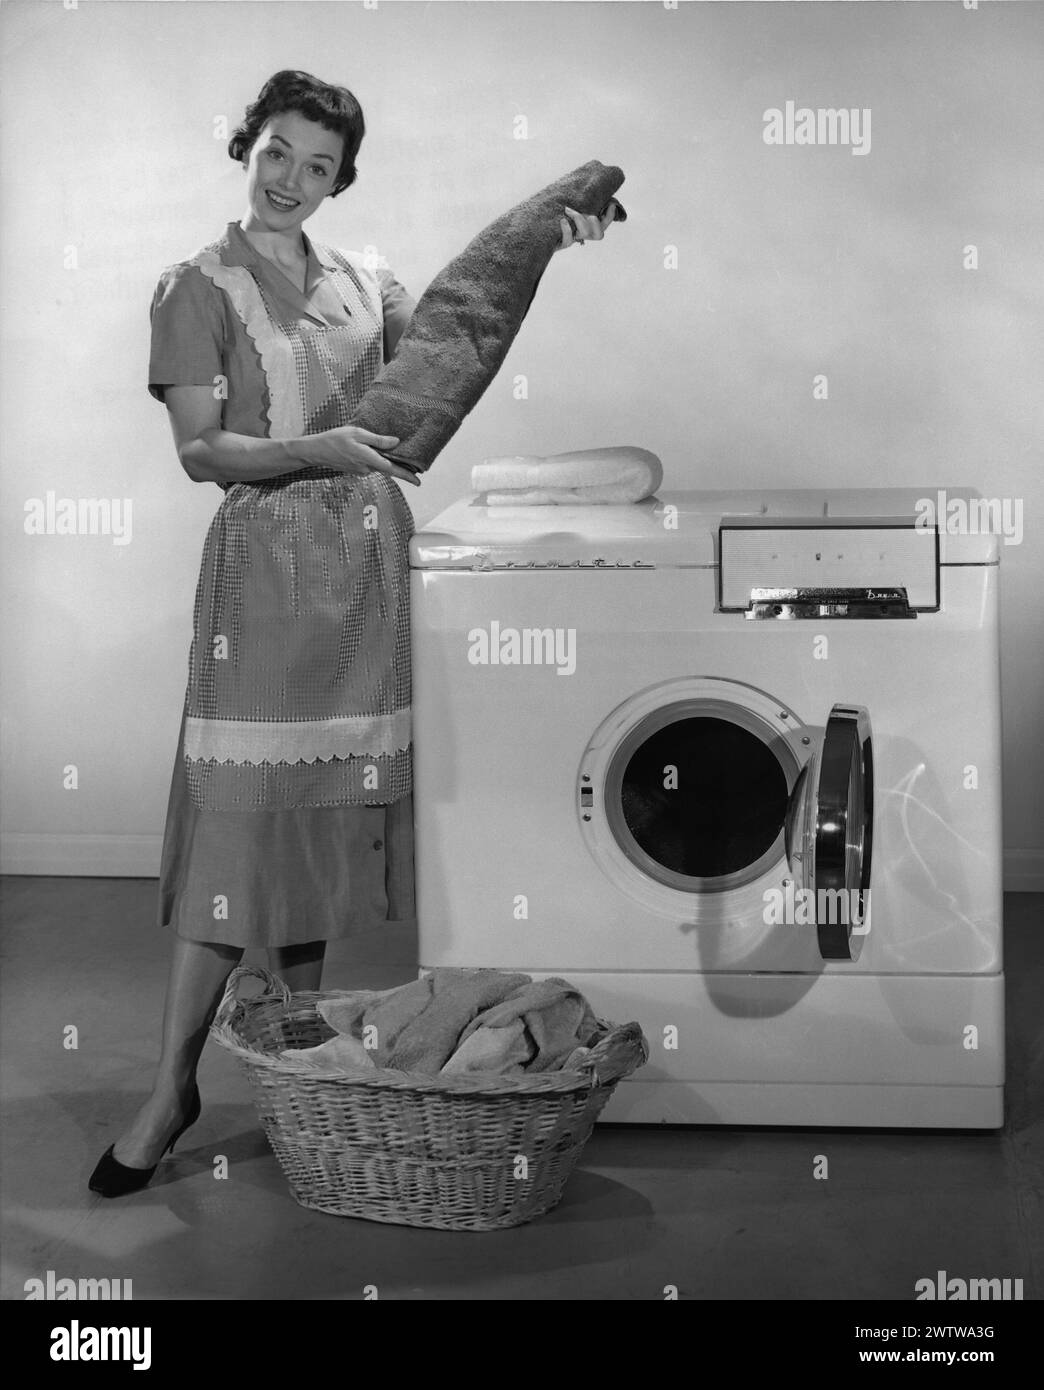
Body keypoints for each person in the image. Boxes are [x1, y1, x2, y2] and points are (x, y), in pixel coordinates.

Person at [90, 69, 616, 1197]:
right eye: (276, 152)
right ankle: (171, 1083)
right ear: (247, 147)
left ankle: (297, 1073)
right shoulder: (195, 286)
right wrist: (320, 453)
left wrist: (546, 245)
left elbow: (452, 352)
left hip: (364, 569)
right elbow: (202, 451)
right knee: (240, 835)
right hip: (263, 578)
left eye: (317, 166)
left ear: (339, 180)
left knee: (325, 834)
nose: (291, 180)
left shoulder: (367, 282)